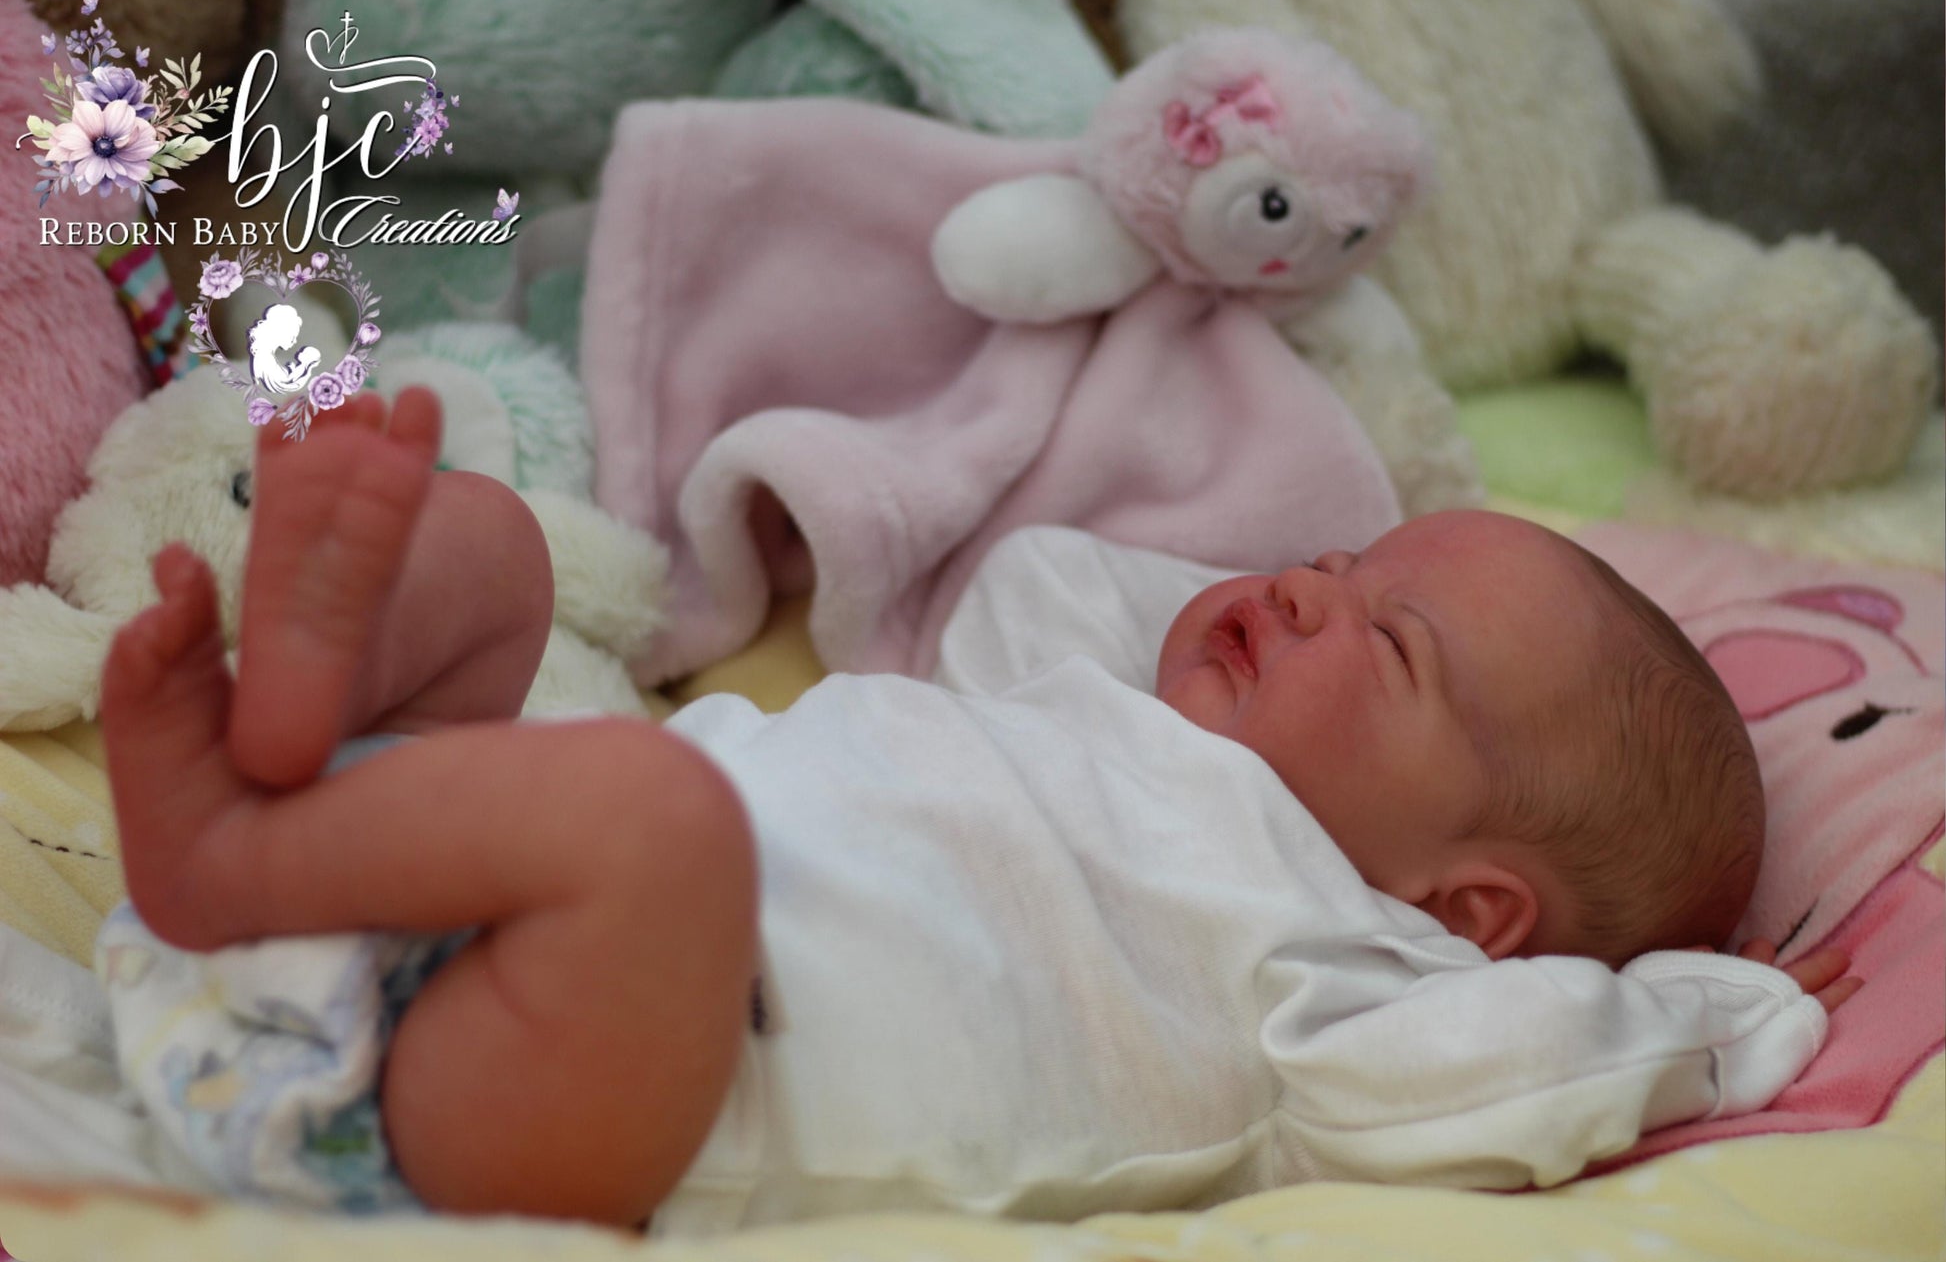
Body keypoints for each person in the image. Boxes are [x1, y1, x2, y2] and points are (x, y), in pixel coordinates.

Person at [97, 389, 1858, 1232]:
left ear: (1476, 909)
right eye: (1329, 558)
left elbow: (1550, 1066)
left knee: (652, 818)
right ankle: (301, 737)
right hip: (454, 867)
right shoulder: (1075, 692)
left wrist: (1730, 1002)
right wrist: (1305, 628)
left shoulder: (1353, 980)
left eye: (1387, 640)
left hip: (545, 1097)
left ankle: (231, 853)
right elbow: (1049, 569)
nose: (1305, 587)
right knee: (499, 556)